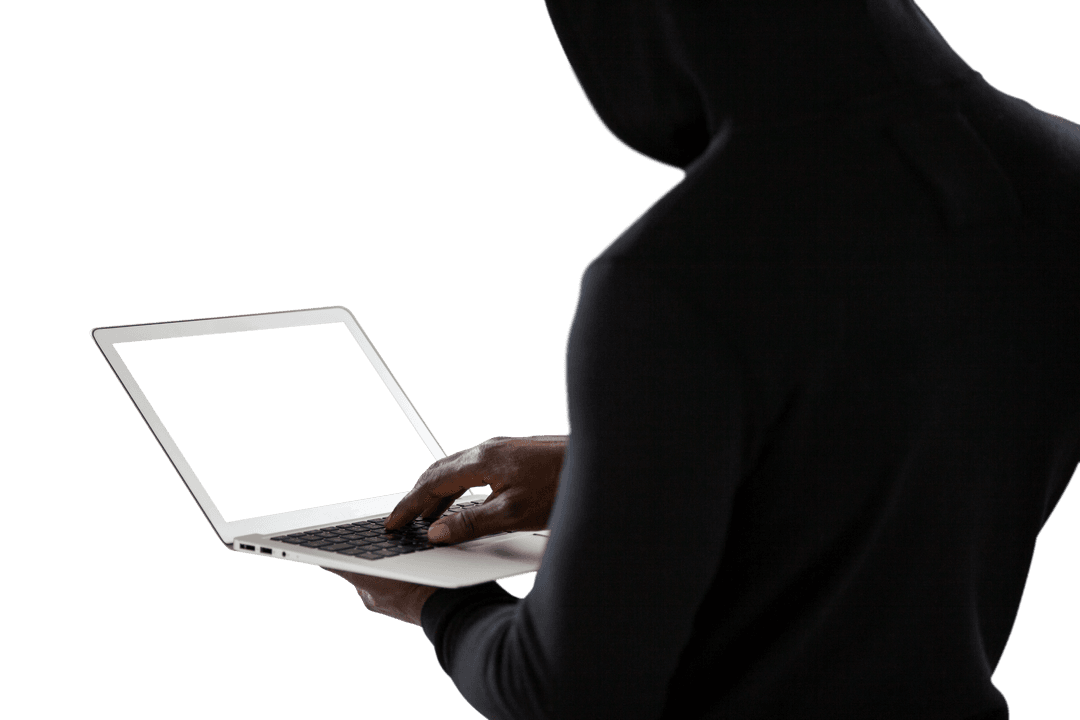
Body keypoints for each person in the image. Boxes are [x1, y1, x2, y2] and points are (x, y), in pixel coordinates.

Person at [326, 1, 1080, 717]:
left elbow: (568, 693)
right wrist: (637, 470)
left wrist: (436, 600)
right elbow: (919, 434)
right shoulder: (1059, 171)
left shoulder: (674, 275)